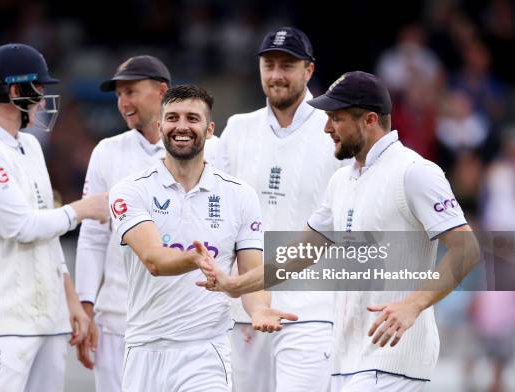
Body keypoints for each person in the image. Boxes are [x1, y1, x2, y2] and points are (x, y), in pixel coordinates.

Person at [203, 71, 480, 391]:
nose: (326, 127)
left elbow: (466, 249)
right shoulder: (342, 180)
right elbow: (298, 256)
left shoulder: (415, 172)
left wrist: (413, 304)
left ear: (370, 120)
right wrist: (237, 284)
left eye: (336, 118)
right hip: (345, 363)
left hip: (394, 361)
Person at [108, 84, 297, 392]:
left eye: (192, 118)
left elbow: (252, 275)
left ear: (209, 129)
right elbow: (154, 259)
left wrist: (259, 308)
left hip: (205, 351)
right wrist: (194, 258)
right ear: (159, 125)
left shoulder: (240, 195)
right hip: (145, 348)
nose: (182, 126)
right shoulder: (130, 190)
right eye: (173, 118)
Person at [0, 43, 109, 391]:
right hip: (2, 321)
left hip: (48, 319)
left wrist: (71, 301)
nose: (42, 100)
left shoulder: (30, 146)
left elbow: (47, 229)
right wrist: (82, 209)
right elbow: (20, 227)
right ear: (14, 90)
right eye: (37, 89)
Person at [74, 55, 218, 390]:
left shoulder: (211, 149)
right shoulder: (107, 152)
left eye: (132, 91)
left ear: (162, 91)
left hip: (188, 320)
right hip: (118, 317)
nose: (124, 102)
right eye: (120, 94)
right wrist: (86, 305)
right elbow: (93, 236)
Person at [216, 26, 342, 392]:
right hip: (245, 311)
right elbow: (219, 210)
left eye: (287, 65)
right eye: (269, 65)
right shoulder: (238, 129)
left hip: (312, 309)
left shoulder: (332, 129)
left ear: (309, 70)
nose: (276, 75)